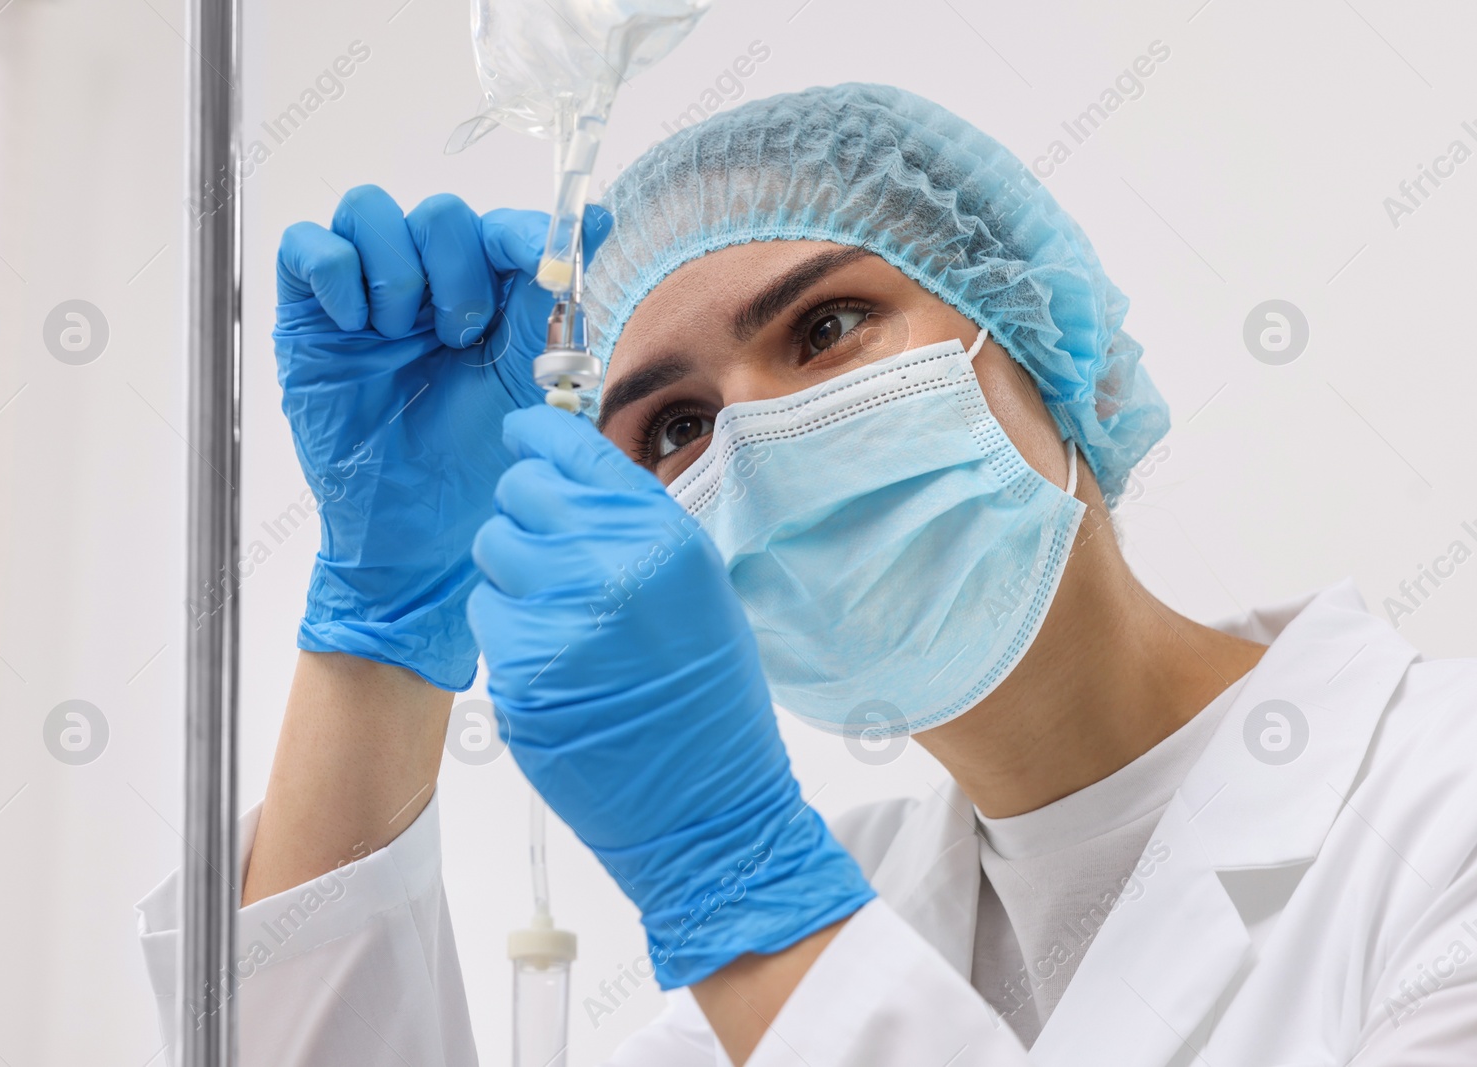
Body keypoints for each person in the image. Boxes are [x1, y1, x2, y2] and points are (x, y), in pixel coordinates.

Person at [137, 84, 1477, 1065]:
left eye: (826, 328)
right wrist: (387, 625)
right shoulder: (831, 920)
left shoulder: (1437, 813)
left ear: (1053, 347)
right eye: (674, 428)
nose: (760, 446)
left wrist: (735, 886)